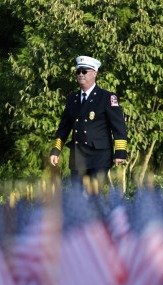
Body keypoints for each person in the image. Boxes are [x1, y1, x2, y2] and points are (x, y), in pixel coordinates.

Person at [49, 55, 128, 187]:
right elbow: (64, 127)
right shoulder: (72, 99)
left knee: (94, 196)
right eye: (78, 71)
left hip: (99, 156)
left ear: (95, 73)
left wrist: (120, 152)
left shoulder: (107, 97)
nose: (80, 74)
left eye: (84, 71)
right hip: (78, 156)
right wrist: (56, 150)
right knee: (78, 197)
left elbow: (119, 127)